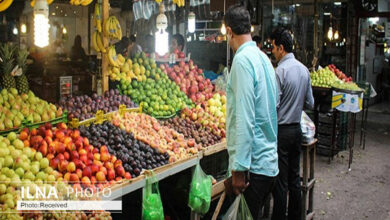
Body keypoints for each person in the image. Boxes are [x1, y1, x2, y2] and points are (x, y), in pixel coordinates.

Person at [223, 4, 279, 220]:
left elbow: (245, 117)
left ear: (229, 31)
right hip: (268, 163)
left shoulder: (242, 61)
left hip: (253, 169)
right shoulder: (263, 58)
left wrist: (239, 168)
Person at [270, 27, 314, 220]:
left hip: (282, 131)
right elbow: (310, 103)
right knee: (295, 178)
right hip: (297, 130)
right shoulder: (304, 70)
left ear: (281, 48)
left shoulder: (280, 71)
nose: (272, 51)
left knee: (280, 182)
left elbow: (274, 105)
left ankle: (279, 217)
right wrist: (295, 105)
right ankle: (296, 217)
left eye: (273, 47)